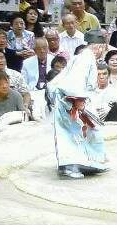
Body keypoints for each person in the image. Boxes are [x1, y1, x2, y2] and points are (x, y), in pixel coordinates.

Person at [46, 37, 109, 179]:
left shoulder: (82, 57)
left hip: (71, 99)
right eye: (103, 49)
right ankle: (69, 167)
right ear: (99, 47)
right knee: (71, 135)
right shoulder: (86, 58)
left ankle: (90, 164)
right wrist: (79, 101)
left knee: (88, 132)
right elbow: (75, 82)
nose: (103, 53)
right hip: (70, 100)